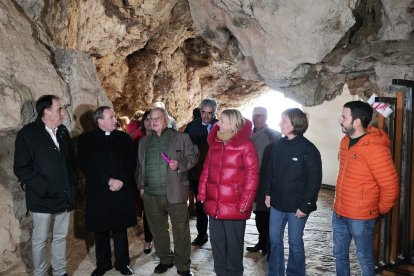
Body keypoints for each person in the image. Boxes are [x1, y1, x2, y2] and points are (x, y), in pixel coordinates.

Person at [333, 101, 399, 276]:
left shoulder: (375, 148)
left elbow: (390, 186)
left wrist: (379, 210)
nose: (340, 120)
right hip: (339, 212)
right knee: (339, 254)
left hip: (360, 217)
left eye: (344, 117)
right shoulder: (345, 141)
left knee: (364, 257)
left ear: (356, 121)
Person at [13, 94, 77, 276]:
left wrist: (72, 182)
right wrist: (44, 186)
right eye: (59, 109)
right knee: (40, 240)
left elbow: (69, 161)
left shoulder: (63, 131)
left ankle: (59, 272)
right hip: (41, 197)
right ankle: (40, 273)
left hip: (64, 194)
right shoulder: (27, 134)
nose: (63, 113)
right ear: (46, 111)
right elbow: (21, 168)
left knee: (60, 237)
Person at [135, 107, 198, 276]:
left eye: (157, 118)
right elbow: (140, 167)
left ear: (166, 120)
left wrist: (179, 165)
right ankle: (165, 259)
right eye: (150, 118)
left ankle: (183, 265)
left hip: (175, 193)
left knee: (181, 231)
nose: (153, 121)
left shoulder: (181, 138)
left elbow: (192, 157)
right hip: (150, 195)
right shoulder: (143, 141)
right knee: (158, 230)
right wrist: (141, 187)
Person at [198, 109, 259, 276]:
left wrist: (245, 204)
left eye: (223, 121)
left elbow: (252, 177)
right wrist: (202, 194)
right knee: (217, 245)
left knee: (234, 246)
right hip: (215, 205)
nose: (218, 123)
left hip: (235, 206)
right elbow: (206, 171)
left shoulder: (246, 146)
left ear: (233, 124)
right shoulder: (215, 144)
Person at [78, 106, 137, 276]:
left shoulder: (124, 138)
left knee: (120, 229)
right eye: (111, 117)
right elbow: (86, 165)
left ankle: (122, 263)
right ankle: (102, 264)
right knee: (100, 229)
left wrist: (121, 181)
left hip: (121, 189)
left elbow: (131, 163)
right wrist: (108, 180)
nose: (115, 120)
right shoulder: (85, 140)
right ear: (100, 121)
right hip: (99, 190)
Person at [264, 108, 322, 276]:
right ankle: (275, 273)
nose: (280, 124)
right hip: (277, 203)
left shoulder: (308, 149)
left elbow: (314, 180)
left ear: (296, 124)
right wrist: (268, 192)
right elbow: (271, 171)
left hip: (297, 206)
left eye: (284, 121)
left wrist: (306, 205)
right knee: (274, 241)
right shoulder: (278, 145)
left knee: (295, 242)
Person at [246, 107, 281, 255]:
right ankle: (262, 242)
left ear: (266, 117)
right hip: (250, 180)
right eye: (254, 116)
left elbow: (279, 162)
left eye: (259, 116)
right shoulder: (247, 134)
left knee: (265, 215)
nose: (256, 118)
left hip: (265, 181)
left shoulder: (274, 135)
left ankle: (268, 244)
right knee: (257, 214)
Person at [184, 98, 218, 246]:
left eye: (210, 113)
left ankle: (217, 235)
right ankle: (202, 234)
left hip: (216, 174)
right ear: (200, 111)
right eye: (203, 112)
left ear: (215, 113)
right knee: (201, 205)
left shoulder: (220, 126)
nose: (206, 116)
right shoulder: (191, 127)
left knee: (216, 205)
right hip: (197, 174)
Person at [137, 110, 153, 254]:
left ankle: (160, 241)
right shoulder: (138, 141)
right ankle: (148, 240)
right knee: (147, 213)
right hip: (145, 183)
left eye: (151, 119)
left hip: (161, 184)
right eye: (146, 119)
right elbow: (137, 166)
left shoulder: (164, 139)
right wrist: (140, 185)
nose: (149, 122)